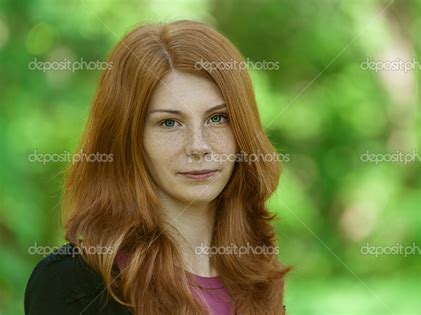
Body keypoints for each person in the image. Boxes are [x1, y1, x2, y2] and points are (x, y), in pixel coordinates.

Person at [25, 20, 291, 314]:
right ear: (129, 139)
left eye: (218, 118)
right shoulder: (73, 283)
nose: (198, 146)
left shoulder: (257, 277)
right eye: (169, 123)